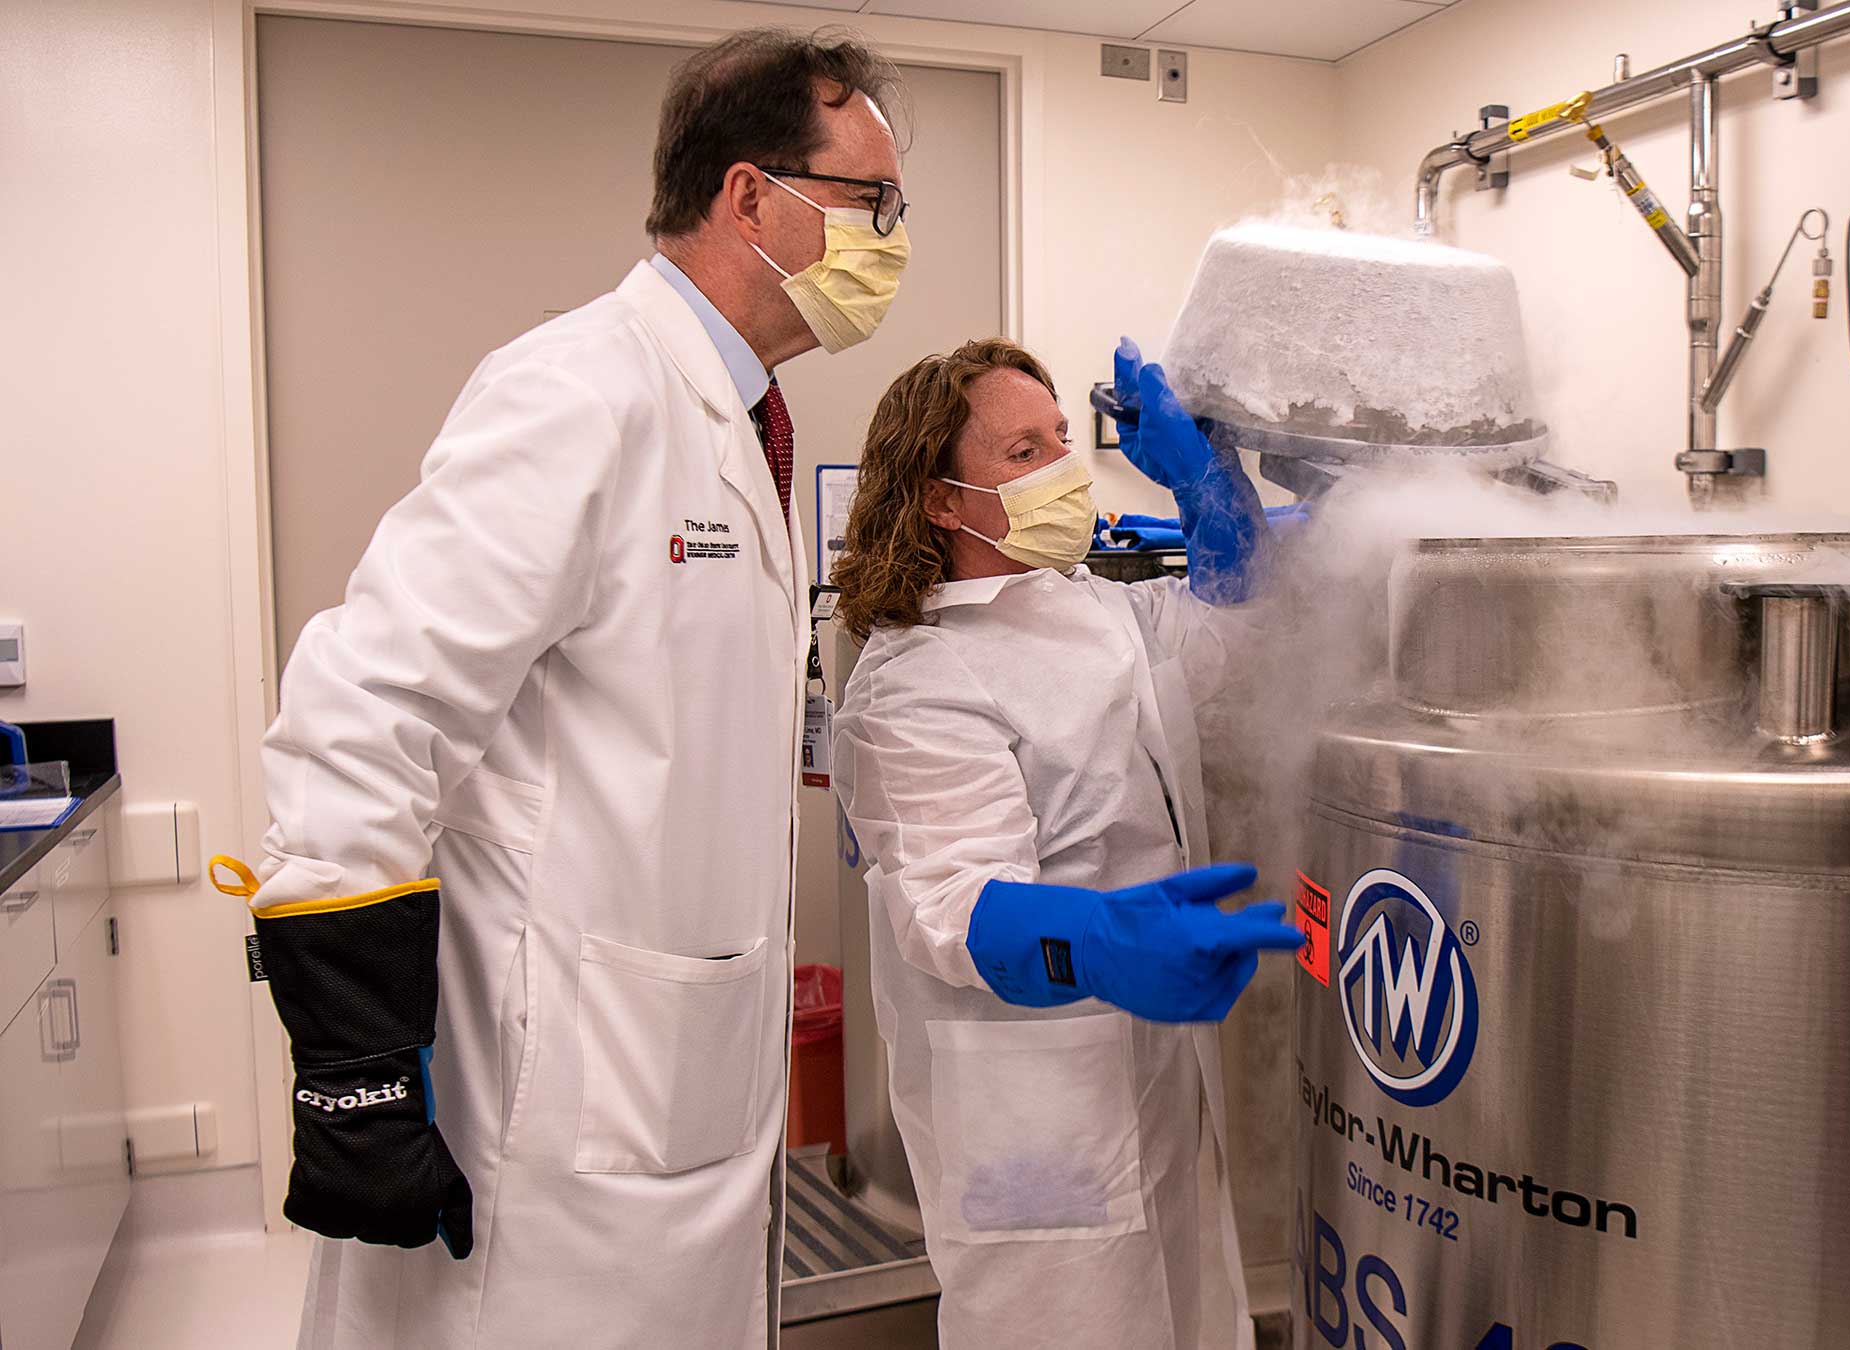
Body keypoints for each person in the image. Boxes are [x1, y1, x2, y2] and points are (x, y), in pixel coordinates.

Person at [207, 29, 910, 1348]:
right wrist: (357, 1073)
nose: (892, 240)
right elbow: (366, 702)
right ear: (748, 195)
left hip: (672, 1085)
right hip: (558, 1114)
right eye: (871, 201)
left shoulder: (739, 420)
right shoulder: (584, 388)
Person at [828, 336, 1301, 1348]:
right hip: (1035, 1101)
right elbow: (950, 905)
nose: (1062, 468)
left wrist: (1209, 481)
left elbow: (1243, 618)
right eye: (1021, 452)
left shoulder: (1095, 609)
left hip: (1156, 1068)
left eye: (1059, 439)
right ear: (942, 500)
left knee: (1185, 1314)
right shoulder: (918, 680)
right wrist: (1102, 941)